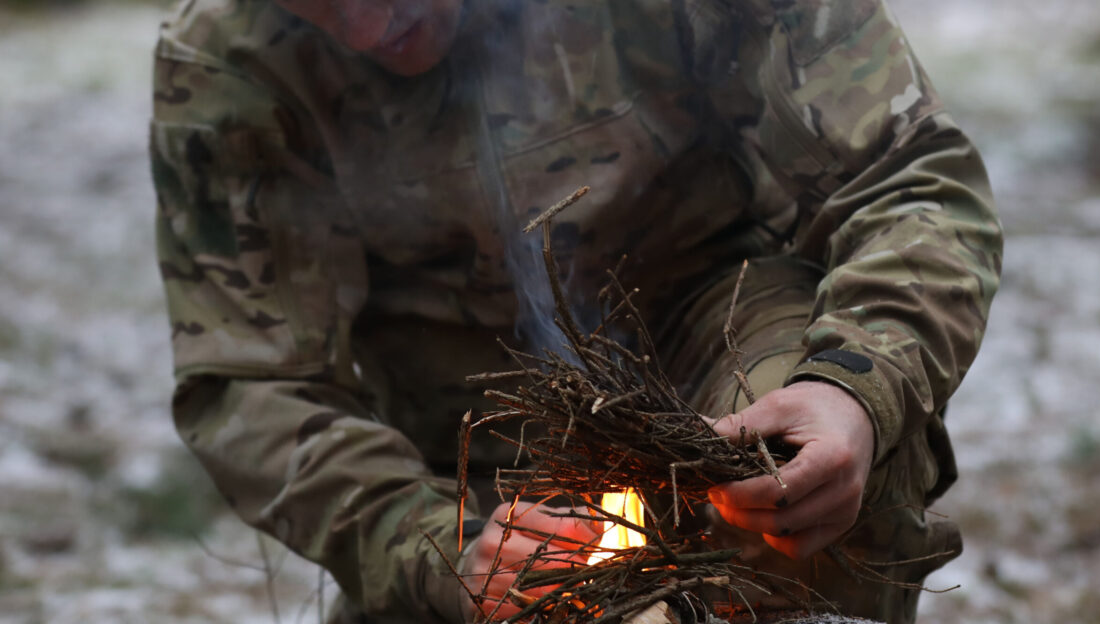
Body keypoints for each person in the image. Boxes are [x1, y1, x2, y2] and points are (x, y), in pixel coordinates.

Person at [150, 0, 1001, 621]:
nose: (371, 28)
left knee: (792, 472)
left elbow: (908, 181)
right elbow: (254, 386)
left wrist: (852, 389)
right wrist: (437, 551)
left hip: (717, 333)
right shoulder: (232, 60)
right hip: (463, 453)